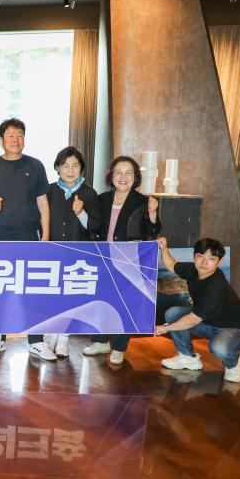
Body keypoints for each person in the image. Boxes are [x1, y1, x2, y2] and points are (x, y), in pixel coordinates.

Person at [0, 118, 53, 360]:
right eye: (10, 135)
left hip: (29, 236)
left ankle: (36, 341)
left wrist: (46, 236)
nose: (15, 139)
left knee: (32, 290)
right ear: (2, 140)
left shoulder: (36, 165)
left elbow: (43, 203)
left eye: (19, 134)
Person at [82, 155, 160, 364]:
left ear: (135, 177)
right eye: (118, 172)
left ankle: (118, 347)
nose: (123, 177)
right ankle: (100, 341)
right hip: (103, 256)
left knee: (124, 303)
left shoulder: (143, 201)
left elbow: (152, 231)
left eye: (128, 173)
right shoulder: (102, 199)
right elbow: (95, 226)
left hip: (129, 260)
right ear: (111, 176)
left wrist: (153, 213)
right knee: (102, 298)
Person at [156, 237, 240, 383]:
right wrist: (164, 248)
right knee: (173, 313)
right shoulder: (193, 270)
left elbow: (193, 320)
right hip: (209, 323)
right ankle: (188, 358)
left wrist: (165, 329)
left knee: (219, 347)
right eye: (200, 256)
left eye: (211, 258)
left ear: (219, 261)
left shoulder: (216, 286)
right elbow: (171, 265)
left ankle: (232, 363)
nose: (204, 262)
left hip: (237, 330)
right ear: (194, 256)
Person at [43, 146, 101, 358]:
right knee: (53, 296)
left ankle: (64, 339)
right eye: (65, 165)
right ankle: (51, 334)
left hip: (79, 256)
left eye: (75, 165)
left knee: (71, 298)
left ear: (81, 168)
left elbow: (95, 226)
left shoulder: (89, 193)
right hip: (53, 253)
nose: (70, 170)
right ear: (57, 168)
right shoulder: (49, 191)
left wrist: (81, 213)